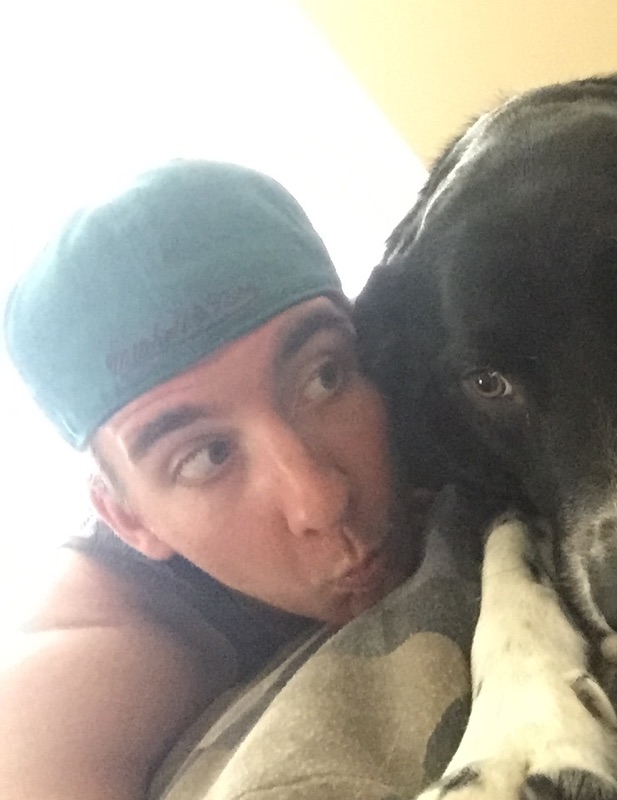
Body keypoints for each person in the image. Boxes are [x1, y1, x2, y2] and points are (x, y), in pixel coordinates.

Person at [0, 159, 430, 800]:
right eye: (206, 457)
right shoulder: (79, 665)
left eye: (324, 378)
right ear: (129, 518)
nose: (320, 500)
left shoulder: (418, 379)